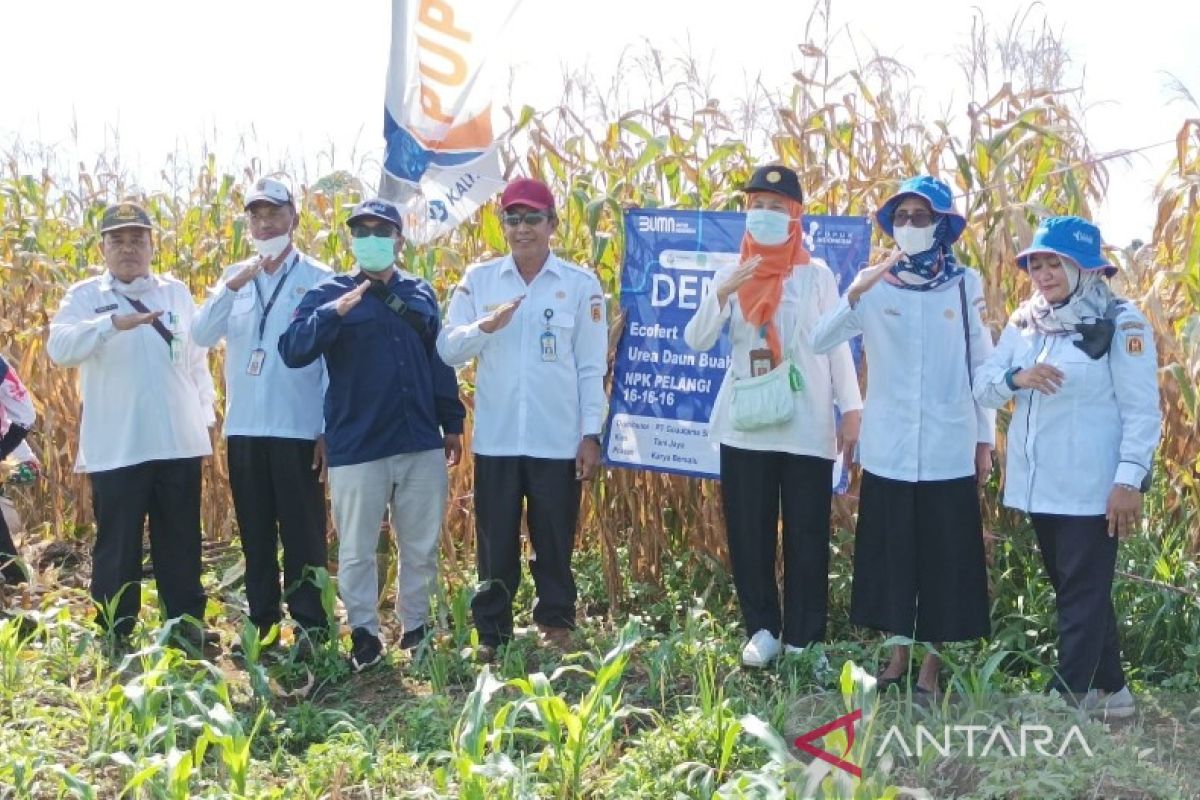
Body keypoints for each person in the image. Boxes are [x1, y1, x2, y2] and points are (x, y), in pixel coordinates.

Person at [812, 175, 995, 697]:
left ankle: (931, 670)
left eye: (921, 217)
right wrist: (854, 293)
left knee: (942, 560)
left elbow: (979, 361)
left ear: (942, 226)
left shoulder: (965, 284)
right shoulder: (873, 287)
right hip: (889, 448)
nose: (910, 226)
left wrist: (985, 438)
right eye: (902, 217)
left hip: (948, 448)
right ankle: (895, 660)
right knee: (894, 559)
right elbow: (819, 339)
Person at [975, 216, 1160, 718]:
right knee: (1078, 590)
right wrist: (1019, 376)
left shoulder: (1123, 322)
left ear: (1084, 268)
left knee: (1080, 596)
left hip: (1092, 486)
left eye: (1054, 262)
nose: (1043, 273)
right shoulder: (1024, 322)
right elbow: (985, 384)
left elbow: (1142, 411)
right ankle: (1114, 694)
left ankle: (1066, 700)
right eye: (1036, 263)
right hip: (1038, 486)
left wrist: (1128, 480)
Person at [682, 165, 863, 668]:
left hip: (806, 425)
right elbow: (696, 341)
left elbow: (836, 346)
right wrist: (721, 293)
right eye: (756, 205)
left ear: (795, 215)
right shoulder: (730, 271)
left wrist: (851, 410)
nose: (763, 214)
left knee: (807, 533)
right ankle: (762, 630)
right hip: (747, 426)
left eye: (775, 207)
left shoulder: (816, 274)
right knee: (749, 531)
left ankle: (805, 641)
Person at [279, 198, 465, 672]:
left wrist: (452, 423)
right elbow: (292, 349)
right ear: (352, 240)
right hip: (358, 445)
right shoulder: (327, 292)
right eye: (361, 231)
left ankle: (416, 628)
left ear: (399, 240)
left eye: (381, 231)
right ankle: (363, 632)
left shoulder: (420, 293)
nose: (371, 240)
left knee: (420, 544)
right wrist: (333, 313)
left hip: (419, 439)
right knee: (358, 549)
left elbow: (438, 361)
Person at [437, 177, 607, 660]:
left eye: (533, 218)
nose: (523, 228)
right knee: (495, 542)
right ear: (502, 225)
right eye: (513, 219)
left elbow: (592, 366)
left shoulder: (578, 285)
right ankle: (492, 632)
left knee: (554, 536)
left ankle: (556, 622)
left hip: (557, 438)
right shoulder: (480, 281)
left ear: (552, 224)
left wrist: (589, 434)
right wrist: (483, 327)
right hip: (498, 438)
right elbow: (448, 350)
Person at [47, 201, 217, 650]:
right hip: (117, 447)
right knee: (117, 546)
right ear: (102, 247)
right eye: (117, 240)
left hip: (178, 443)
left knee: (180, 541)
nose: (128, 248)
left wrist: (206, 417)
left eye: (137, 239)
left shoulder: (175, 292)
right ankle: (115, 631)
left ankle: (184, 627)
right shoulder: (85, 297)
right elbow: (59, 348)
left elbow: (196, 358)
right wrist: (110, 325)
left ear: (151, 244)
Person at [192, 177, 332, 654]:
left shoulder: (318, 277)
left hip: (298, 429)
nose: (265, 221)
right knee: (254, 536)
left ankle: (312, 628)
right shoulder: (236, 277)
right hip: (246, 430)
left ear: (294, 216)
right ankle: (264, 626)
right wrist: (231, 288)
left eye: (274, 211)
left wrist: (326, 429)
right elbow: (200, 334)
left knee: (304, 535)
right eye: (256, 214)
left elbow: (334, 360)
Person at [0, 353, 37, 589]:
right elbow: (26, 415)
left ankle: (16, 580)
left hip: (13, 455)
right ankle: (16, 578)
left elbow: (25, 416)